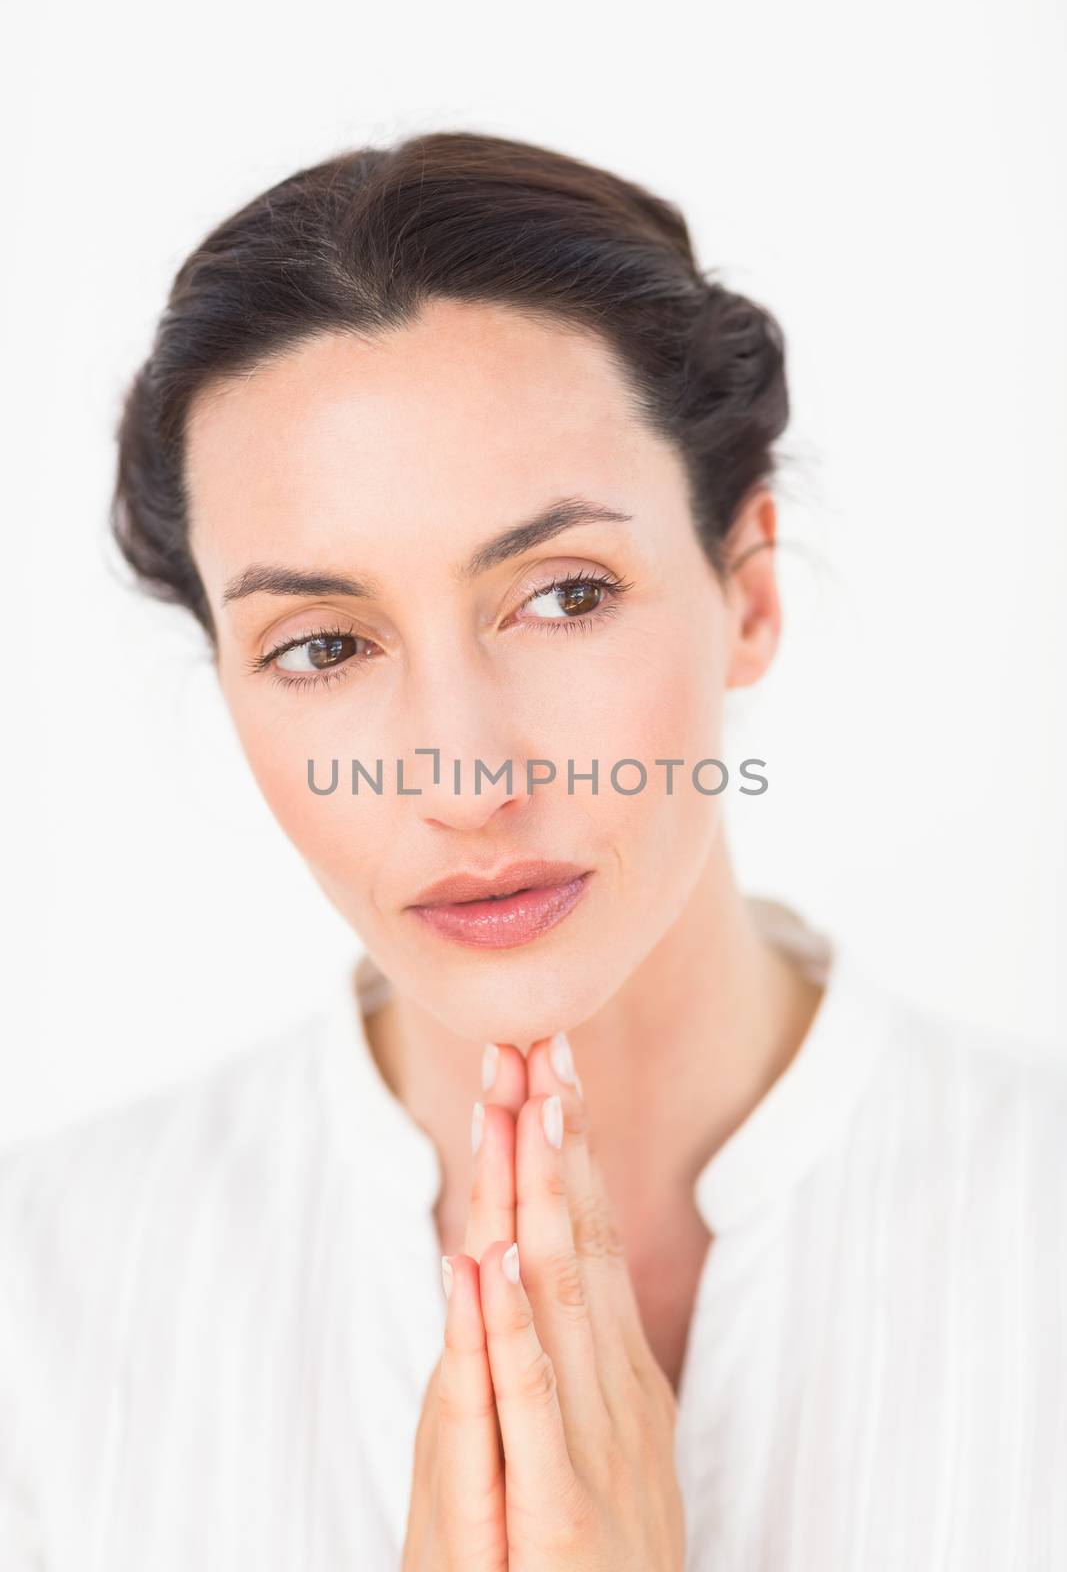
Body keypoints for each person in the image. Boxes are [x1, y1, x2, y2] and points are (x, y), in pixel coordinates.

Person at [1, 130, 1064, 1571]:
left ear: (746, 591)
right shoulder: (46, 1313)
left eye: (564, 596)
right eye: (322, 644)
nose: (462, 775)